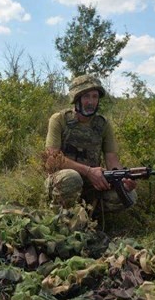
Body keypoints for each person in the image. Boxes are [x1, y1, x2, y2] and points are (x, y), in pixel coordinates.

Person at [44, 74, 137, 213]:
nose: (91, 102)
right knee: (72, 177)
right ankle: (59, 217)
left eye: (95, 97)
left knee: (128, 194)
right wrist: (88, 171)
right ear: (76, 98)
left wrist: (122, 178)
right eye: (86, 96)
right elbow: (53, 158)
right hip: (63, 180)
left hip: (93, 183)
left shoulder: (103, 125)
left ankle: (90, 214)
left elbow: (112, 160)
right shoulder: (59, 120)